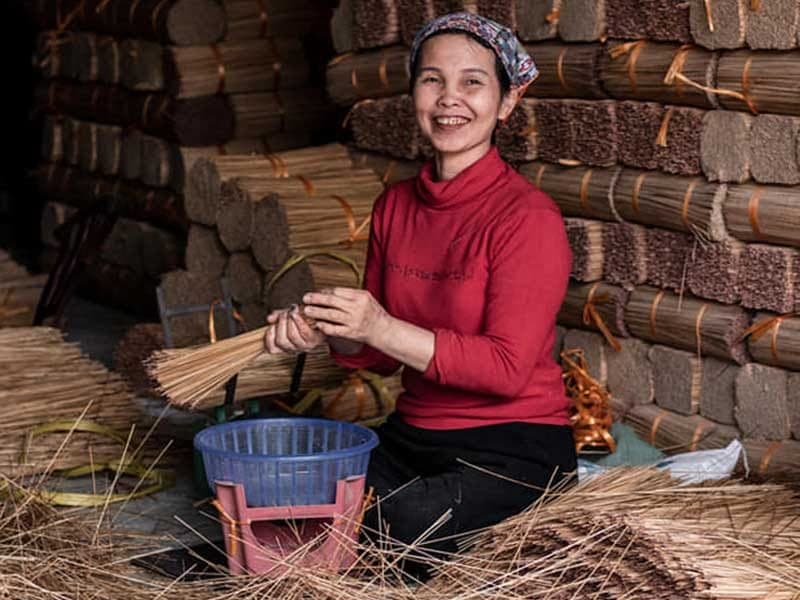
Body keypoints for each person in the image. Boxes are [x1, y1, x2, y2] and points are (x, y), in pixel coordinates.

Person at [264, 11, 577, 572]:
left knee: (395, 525)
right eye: (432, 79)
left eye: (472, 82)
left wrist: (379, 325)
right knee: (291, 502)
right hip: (413, 437)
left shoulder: (528, 218)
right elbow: (382, 356)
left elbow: (505, 369)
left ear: (506, 101)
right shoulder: (396, 205)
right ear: (414, 94)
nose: (449, 98)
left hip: (513, 448)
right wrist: (333, 330)